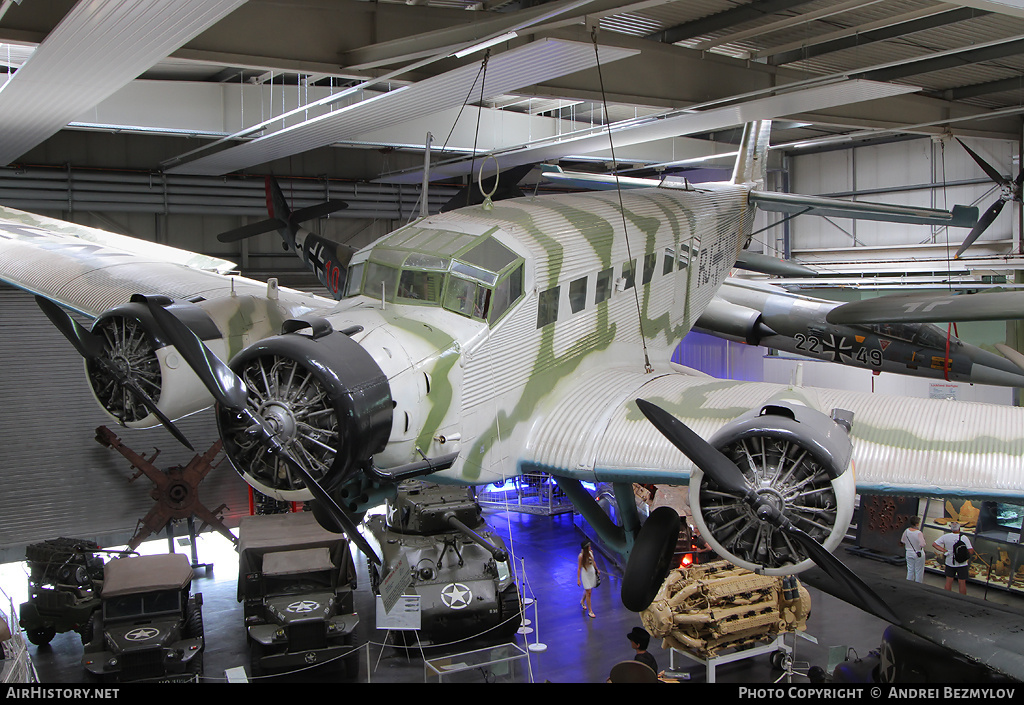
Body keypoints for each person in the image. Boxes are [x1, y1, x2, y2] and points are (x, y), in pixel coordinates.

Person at [932, 521, 975, 594]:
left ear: (951, 528)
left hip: (949, 562)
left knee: (948, 582)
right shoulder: (964, 538)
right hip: (962, 564)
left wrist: (944, 550)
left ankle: (947, 597)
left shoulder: (946, 536)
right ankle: (962, 599)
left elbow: (934, 544)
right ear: (959, 528)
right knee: (962, 583)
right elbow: (971, 551)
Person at [900, 516, 927, 582]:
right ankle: (918, 585)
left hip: (908, 552)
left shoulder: (906, 531)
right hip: (918, 552)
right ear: (917, 524)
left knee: (910, 570)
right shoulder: (919, 533)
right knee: (918, 571)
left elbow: (902, 540)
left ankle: (909, 584)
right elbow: (922, 544)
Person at [577, 539, 599, 618]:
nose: (590, 547)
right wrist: (578, 579)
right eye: (588, 546)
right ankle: (590, 611)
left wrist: (597, 569)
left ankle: (582, 601)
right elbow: (579, 568)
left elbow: (593, 562)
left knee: (589, 591)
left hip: (591, 573)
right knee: (588, 592)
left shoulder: (591, 553)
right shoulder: (581, 556)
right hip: (585, 575)